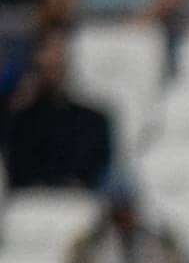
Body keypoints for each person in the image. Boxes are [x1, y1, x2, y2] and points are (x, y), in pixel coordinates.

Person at [2, 28, 118, 193]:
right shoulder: (18, 120)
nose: (54, 59)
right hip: (29, 201)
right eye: (48, 52)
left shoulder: (94, 121)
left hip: (78, 199)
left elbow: (97, 169)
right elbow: (16, 167)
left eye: (60, 54)